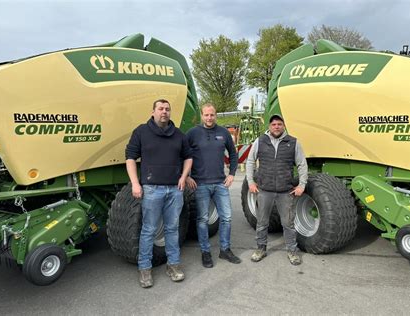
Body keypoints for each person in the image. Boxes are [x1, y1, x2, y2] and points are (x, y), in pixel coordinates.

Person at [125, 99, 192, 288]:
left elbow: (188, 157)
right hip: (152, 189)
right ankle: (145, 269)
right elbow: (130, 157)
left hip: (174, 190)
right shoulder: (141, 132)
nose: (164, 112)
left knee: (172, 229)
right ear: (153, 111)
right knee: (149, 230)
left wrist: (183, 176)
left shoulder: (178, 135)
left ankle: (173, 265)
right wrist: (135, 183)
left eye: (167, 109)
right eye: (160, 109)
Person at [245, 114, 308, 265]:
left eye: (279, 124)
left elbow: (302, 164)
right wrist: (250, 182)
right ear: (269, 126)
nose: (276, 127)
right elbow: (250, 161)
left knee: (288, 224)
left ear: (284, 125)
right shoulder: (260, 141)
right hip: (264, 190)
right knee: (262, 222)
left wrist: (302, 185)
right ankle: (261, 249)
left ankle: (292, 252)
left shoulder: (293, 142)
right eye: (273, 124)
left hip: (285, 191)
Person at [186, 103, 241, 268]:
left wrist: (232, 174)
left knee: (227, 217)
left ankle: (225, 250)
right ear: (201, 115)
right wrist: (187, 176)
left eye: (212, 115)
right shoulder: (192, 133)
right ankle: (205, 252)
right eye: (206, 115)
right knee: (202, 219)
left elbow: (233, 154)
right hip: (200, 184)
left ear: (216, 115)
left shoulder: (223, 132)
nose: (209, 118)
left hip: (220, 183)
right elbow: (182, 154)